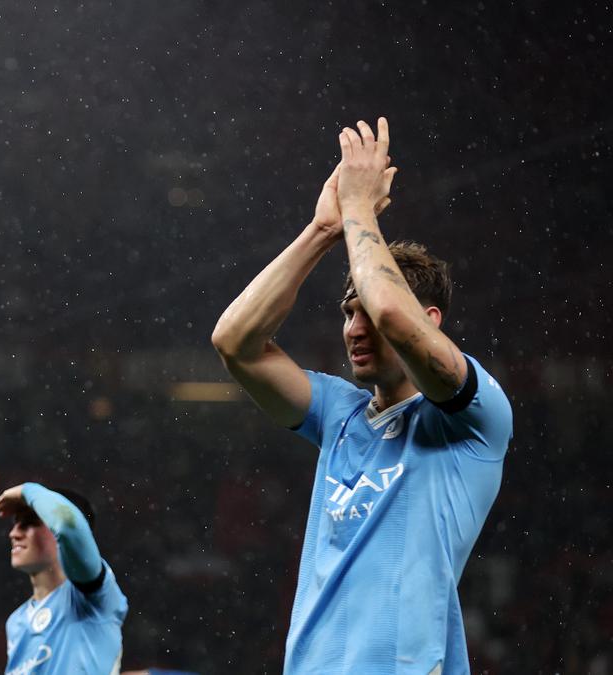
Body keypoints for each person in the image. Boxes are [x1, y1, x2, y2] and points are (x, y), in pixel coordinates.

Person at [210, 117, 513, 673]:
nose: (354, 327)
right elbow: (235, 341)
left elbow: (394, 314)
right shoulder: (339, 413)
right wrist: (324, 230)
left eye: (364, 311)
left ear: (433, 322)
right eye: (347, 313)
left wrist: (360, 209)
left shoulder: (474, 415)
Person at [0, 483, 127, 675]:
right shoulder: (16, 622)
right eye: (16, 523)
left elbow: (67, 524)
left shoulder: (91, 597)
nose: (14, 533)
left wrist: (29, 490)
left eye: (30, 522)